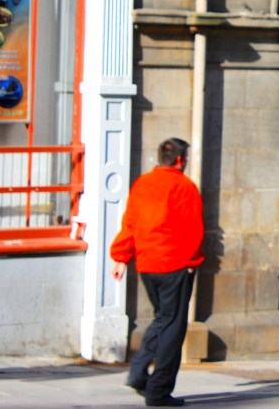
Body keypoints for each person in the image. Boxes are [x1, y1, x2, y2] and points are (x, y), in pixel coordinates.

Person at [111, 138, 205, 407]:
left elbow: (130, 223)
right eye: (184, 158)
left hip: (147, 264)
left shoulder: (143, 184)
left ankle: (139, 374)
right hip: (174, 264)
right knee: (173, 329)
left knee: (163, 319)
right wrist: (192, 260)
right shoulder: (183, 187)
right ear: (179, 160)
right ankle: (158, 390)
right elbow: (193, 229)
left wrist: (121, 257)